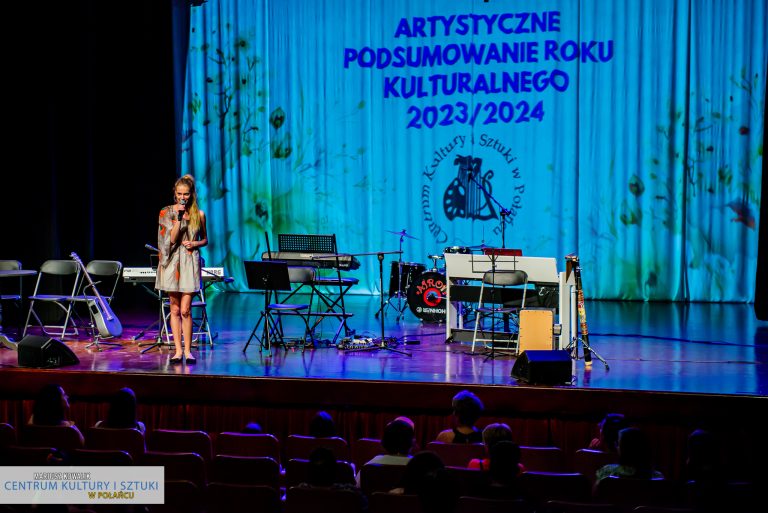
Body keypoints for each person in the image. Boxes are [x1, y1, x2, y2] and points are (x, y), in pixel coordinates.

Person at [156, 174, 208, 364]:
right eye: (179, 194)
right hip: (172, 264)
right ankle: (177, 351)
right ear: (175, 194)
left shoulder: (199, 215)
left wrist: (195, 243)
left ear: (191, 194)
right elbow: (170, 240)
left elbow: (206, 239)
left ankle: (188, 350)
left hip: (189, 262)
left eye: (185, 194)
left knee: (186, 309)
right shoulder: (166, 212)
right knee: (175, 308)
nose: (182, 197)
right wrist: (178, 219)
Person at [595, 427, 664, 482]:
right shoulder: (657, 477)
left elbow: (595, 494)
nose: (616, 447)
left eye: (618, 444)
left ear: (624, 449)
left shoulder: (606, 472)